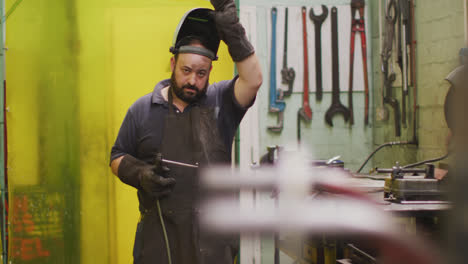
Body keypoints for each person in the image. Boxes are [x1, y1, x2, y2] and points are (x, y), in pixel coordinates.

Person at [109, 0, 262, 263]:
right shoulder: (143, 109)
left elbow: (253, 80)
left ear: (210, 71)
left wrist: (234, 34)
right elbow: (116, 156)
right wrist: (141, 174)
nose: (192, 80)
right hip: (158, 243)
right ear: (172, 64)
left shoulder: (221, 103)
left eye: (201, 73)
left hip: (212, 246)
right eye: (186, 70)